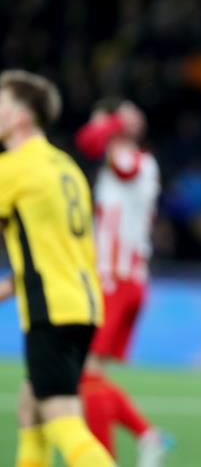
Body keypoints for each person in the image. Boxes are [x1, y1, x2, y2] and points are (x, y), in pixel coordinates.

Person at [0, 70, 114, 466]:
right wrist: (10, 285)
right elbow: (56, 247)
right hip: (84, 305)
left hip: (50, 308)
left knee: (62, 419)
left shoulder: (14, 168)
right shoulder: (67, 167)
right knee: (31, 407)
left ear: (21, 116)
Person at [75, 98, 170, 466]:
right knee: (90, 375)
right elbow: (89, 142)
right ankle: (148, 436)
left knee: (86, 374)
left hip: (118, 278)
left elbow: (90, 140)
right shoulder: (129, 161)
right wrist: (112, 123)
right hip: (123, 279)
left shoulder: (135, 162)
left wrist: (111, 121)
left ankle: (104, 459)